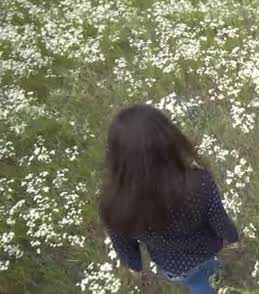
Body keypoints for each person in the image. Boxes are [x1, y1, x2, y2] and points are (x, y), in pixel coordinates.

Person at [98, 104, 239, 294]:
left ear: (116, 155)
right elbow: (218, 219)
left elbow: (123, 245)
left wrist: (135, 267)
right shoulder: (199, 182)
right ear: (169, 140)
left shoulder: (114, 205)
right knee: (207, 277)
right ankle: (215, 282)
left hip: (172, 265)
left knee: (196, 283)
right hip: (207, 250)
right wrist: (232, 238)